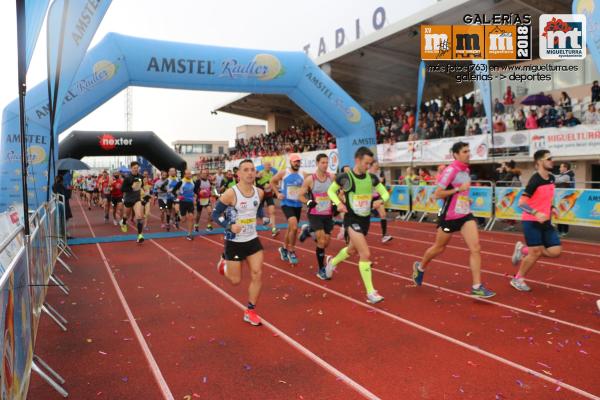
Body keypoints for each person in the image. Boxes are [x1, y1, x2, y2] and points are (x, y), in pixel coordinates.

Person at [412, 141, 496, 299]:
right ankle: (420, 267)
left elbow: (462, 193)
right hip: (449, 217)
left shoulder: (466, 170)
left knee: (476, 248)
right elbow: (437, 194)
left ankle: (477, 286)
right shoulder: (450, 170)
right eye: (465, 151)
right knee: (439, 247)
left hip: (465, 215)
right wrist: (458, 189)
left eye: (468, 151)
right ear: (456, 154)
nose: (468, 154)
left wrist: (465, 199)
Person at [325, 147, 390, 304]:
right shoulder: (345, 178)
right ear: (357, 160)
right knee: (365, 254)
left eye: (370, 164)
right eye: (366, 163)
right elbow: (330, 191)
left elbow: (386, 193)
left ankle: (331, 263)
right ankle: (371, 292)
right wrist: (338, 203)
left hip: (365, 220)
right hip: (351, 219)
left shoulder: (372, 179)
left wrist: (380, 201)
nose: (368, 166)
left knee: (352, 250)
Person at [213, 159, 265, 326]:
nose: (250, 173)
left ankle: (250, 311)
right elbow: (215, 215)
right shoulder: (231, 193)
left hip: (252, 240)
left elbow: (258, 206)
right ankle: (224, 266)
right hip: (234, 242)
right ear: (239, 174)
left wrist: (262, 216)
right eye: (246, 170)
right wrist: (229, 225)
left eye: (252, 170)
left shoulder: (260, 192)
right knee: (235, 281)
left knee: (257, 273)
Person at [510, 150, 562, 291]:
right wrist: (536, 213)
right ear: (539, 162)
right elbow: (522, 203)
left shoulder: (551, 178)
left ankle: (522, 249)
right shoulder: (535, 180)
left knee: (556, 251)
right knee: (536, 252)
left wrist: (552, 207)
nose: (552, 160)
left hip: (545, 221)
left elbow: (545, 198)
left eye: (552, 158)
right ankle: (518, 279)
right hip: (531, 221)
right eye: (549, 158)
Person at [298, 153, 335, 280]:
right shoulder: (310, 179)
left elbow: (338, 192)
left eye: (327, 162)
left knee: (326, 243)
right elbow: (300, 195)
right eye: (323, 162)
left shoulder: (332, 178)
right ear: (317, 163)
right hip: (315, 214)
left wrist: (338, 202)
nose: (325, 165)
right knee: (321, 240)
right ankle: (321, 269)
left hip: (328, 214)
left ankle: (308, 231)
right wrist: (308, 202)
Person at [271, 154, 304, 264]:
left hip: (298, 205)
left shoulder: (303, 174)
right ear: (290, 162)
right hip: (286, 203)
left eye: (298, 161)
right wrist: (277, 193)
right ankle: (291, 250)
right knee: (294, 227)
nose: (297, 163)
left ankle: (284, 248)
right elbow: (272, 181)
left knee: (290, 229)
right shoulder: (284, 173)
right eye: (295, 161)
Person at [121, 161, 146, 243]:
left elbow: (141, 186)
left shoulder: (141, 177)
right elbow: (122, 189)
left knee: (139, 217)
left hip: (137, 199)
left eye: (137, 168)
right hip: (128, 200)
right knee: (126, 216)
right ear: (131, 168)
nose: (136, 169)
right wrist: (131, 188)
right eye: (134, 168)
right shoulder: (127, 178)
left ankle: (140, 236)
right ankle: (124, 222)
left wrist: (144, 193)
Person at [370, 161, 392, 243]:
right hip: (367, 199)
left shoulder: (378, 173)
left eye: (378, 166)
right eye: (376, 165)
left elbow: (381, 184)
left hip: (377, 197)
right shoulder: (367, 174)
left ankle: (384, 235)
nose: (377, 167)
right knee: (361, 217)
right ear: (371, 166)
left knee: (383, 214)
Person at [255, 160, 279, 237]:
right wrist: (264, 186)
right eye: (267, 165)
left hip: (268, 195)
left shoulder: (272, 173)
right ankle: (251, 229)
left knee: (272, 211)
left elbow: (273, 183)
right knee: (256, 213)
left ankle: (273, 229)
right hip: (261, 195)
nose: (269, 166)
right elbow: (256, 183)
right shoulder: (261, 172)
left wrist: (273, 187)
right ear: (264, 166)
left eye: (269, 165)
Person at [554, 162, 575, 237]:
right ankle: (561, 231)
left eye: (561, 167)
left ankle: (563, 231)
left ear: (565, 168)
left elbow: (557, 180)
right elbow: (556, 176)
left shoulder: (567, 176)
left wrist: (549, 176)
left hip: (565, 197)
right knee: (560, 213)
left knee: (563, 213)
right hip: (563, 197)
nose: (559, 168)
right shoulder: (565, 174)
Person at [177, 169, 196, 240]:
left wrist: (195, 196)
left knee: (191, 217)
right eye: (187, 174)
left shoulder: (193, 182)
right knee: (183, 220)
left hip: (190, 202)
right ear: (184, 175)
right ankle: (178, 215)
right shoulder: (181, 182)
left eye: (190, 174)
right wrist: (178, 196)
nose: (189, 175)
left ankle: (189, 234)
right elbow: (173, 190)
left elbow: (195, 191)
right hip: (183, 202)